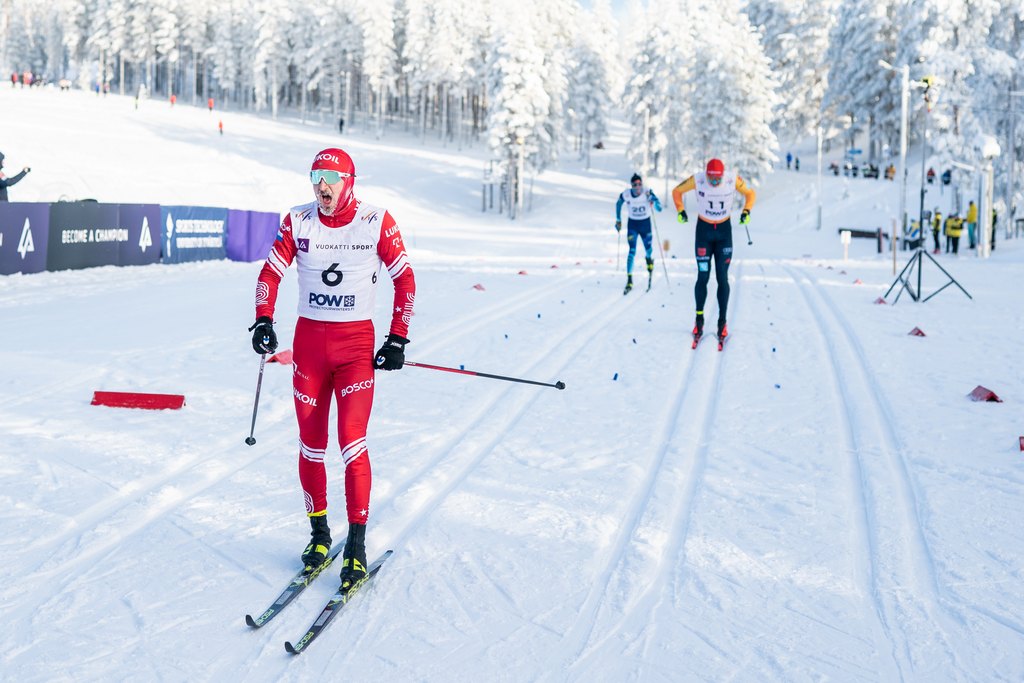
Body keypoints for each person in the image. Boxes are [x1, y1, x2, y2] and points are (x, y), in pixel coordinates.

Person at [249, 147, 416, 591]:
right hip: (310, 349)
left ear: (349, 181)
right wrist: (264, 319)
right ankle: (319, 535)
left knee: (351, 444)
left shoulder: (376, 220)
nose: (322, 185)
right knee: (310, 446)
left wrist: (397, 337)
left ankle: (357, 546)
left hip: (355, 348)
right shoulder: (298, 220)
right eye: (315, 176)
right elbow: (270, 273)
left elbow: (405, 279)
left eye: (331, 177)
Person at [672, 158, 755, 346]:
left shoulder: (732, 179)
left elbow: (750, 194)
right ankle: (699, 320)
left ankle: (722, 323)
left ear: (722, 175)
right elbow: (676, 191)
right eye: (712, 179)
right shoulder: (698, 179)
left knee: (722, 278)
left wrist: (746, 211)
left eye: (717, 180)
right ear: (707, 174)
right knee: (703, 276)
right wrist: (680, 210)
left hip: (724, 233)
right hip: (704, 232)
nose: (715, 182)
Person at [615, 173, 662, 294]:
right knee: (632, 251)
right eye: (635, 185)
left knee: (648, 250)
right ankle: (629, 279)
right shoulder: (626, 194)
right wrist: (618, 220)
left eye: (639, 184)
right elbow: (618, 204)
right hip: (633, 225)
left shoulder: (647, 192)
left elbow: (659, 208)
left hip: (645, 225)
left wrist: (653, 200)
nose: (637, 187)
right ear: (631, 185)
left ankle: (649, 260)